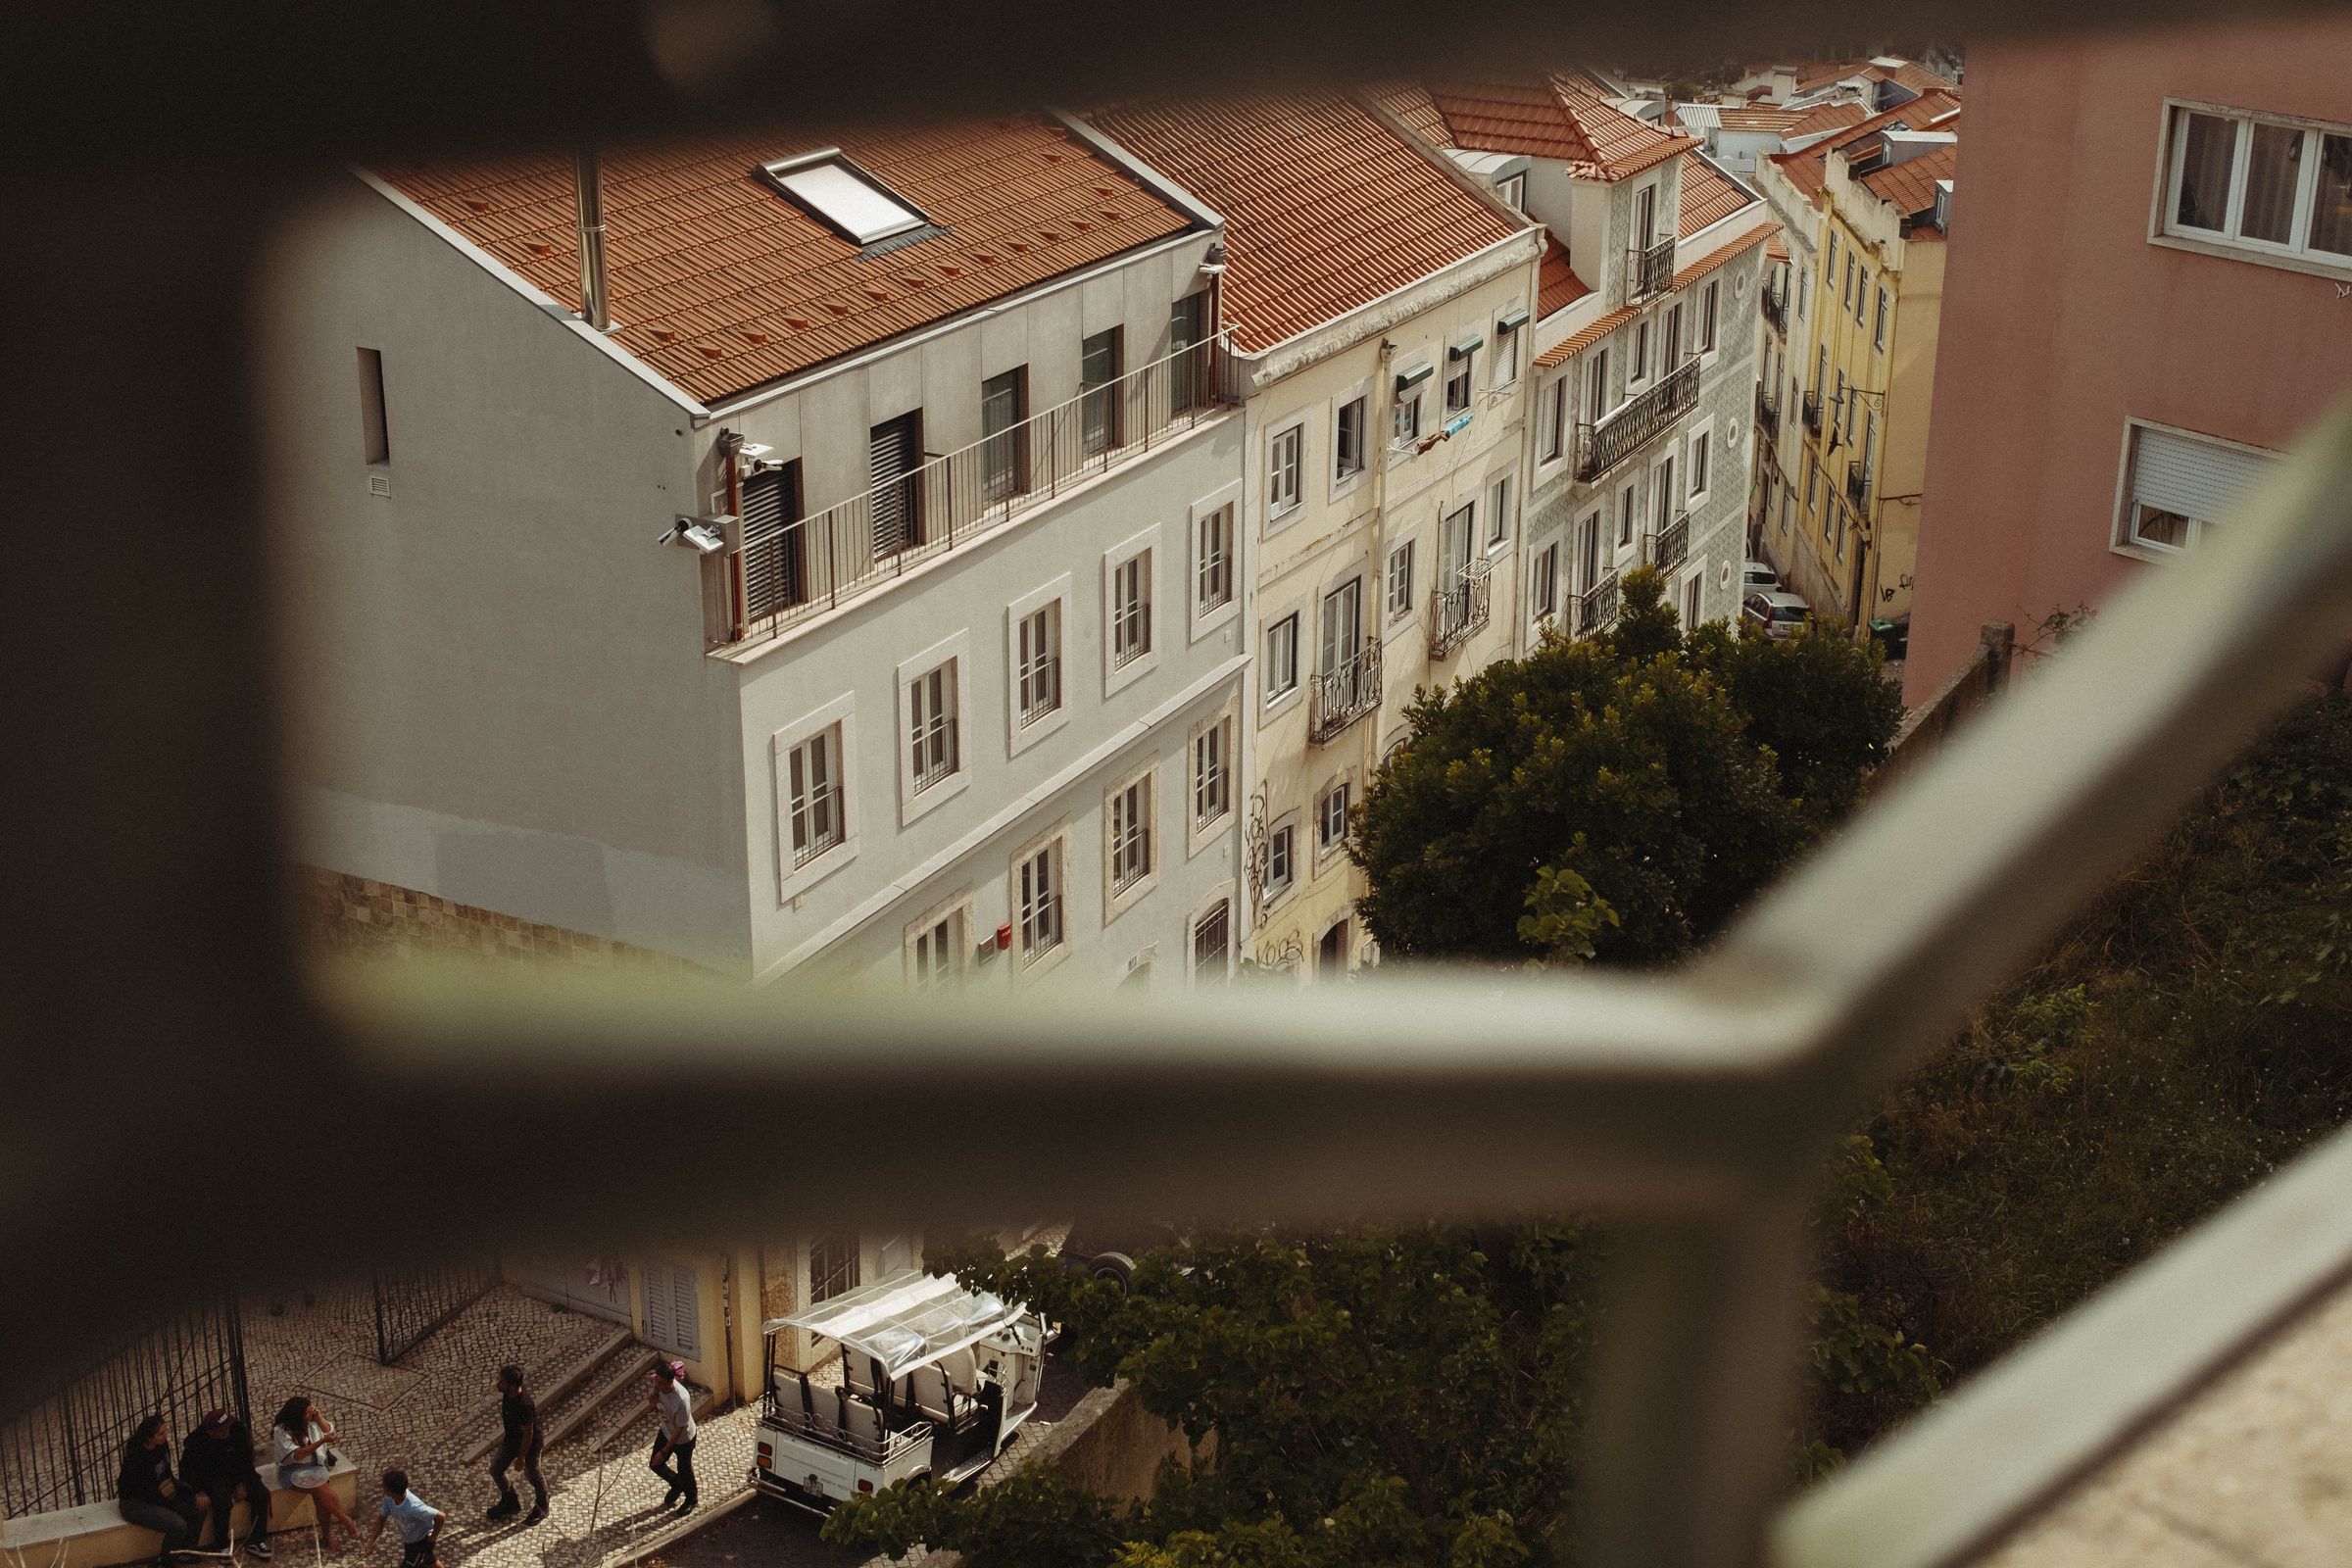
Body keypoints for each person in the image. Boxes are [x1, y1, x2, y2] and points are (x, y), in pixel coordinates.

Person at [268, 1396, 361, 1549]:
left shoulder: (312, 1422)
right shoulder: (282, 1430)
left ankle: (329, 1534)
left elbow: (331, 1433)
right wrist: (322, 1441)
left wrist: (320, 1418)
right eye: (307, 1413)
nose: (310, 1416)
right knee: (320, 1489)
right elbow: (297, 1455)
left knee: (321, 1496)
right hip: (292, 1470)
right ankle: (345, 1520)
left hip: (316, 1465)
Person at [181, 1407, 274, 1559]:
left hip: (237, 1474)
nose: (227, 1431)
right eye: (222, 1430)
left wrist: (244, 1482)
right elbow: (188, 1470)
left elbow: (246, 1459)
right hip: (212, 1478)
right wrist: (199, 1491)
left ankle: (256, 1540)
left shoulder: (238, 1431)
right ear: (212, 1432)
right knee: (222, 1503)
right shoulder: (196, 1443)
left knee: (261, 1494)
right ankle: (222, 1544)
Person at [119, 1415, 208, 1566]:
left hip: (163, 1490)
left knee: (198, 1507)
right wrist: (174, 1505)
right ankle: (166, 1560)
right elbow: (148, 1493)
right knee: (177, 1525)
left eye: (165, 1431)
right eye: (160, 1434)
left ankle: (185, 1551)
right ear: (149, 1438)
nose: (165, 1436)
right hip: (137, 1502)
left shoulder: (161, 1446)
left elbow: (167, 1474)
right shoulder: (137, 1458)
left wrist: (188, 1492)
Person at [484, 1364, 546, 1525]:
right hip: (511, 1440)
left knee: (533, 1475)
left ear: (512, 1386)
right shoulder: (508, 1393)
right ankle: (510, 1501)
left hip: (530, 1445)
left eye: (501, 1381)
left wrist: (521, 1458)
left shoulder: (524, 1405)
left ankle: (542, 1506)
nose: (498, 1383)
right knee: (496, 1469)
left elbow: (528, 1434)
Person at [645, 1360, 697, 1514]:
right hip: (667, 1429)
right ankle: (677, 1483)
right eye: (656, 1382)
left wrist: (665, 1451)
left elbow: (680, 1429)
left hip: (682, 1438)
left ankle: (691, 1499)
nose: (657, 1385)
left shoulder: (682, 1400)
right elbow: (654, 1391)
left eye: (660, 1384)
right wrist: (653, 1394)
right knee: (655, 1465)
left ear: (670, 1382)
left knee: (685, 1468)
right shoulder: (658, 1385)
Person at [365, 1470, 444, 1568]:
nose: (382, 1488)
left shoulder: (414, 1507)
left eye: (384, 1487)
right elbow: (381, 1519)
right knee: (430, 1561)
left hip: (421, 1542)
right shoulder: (389, 1498)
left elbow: (440, 1516)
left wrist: (432, 1538)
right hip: (410, 1542)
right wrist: (371, 1542)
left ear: (392, 1491)